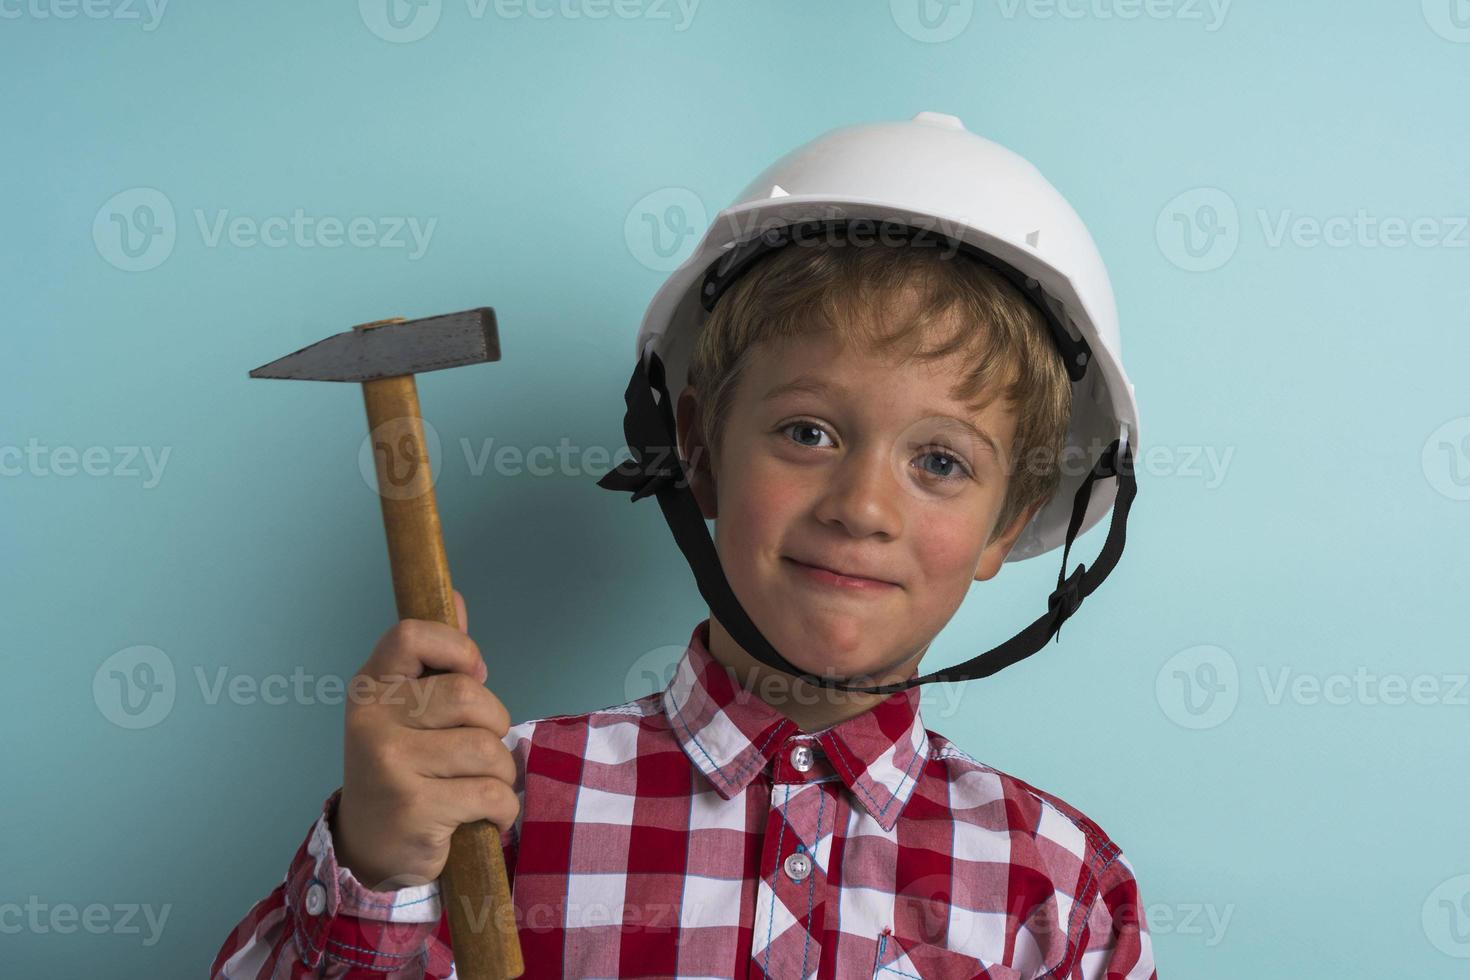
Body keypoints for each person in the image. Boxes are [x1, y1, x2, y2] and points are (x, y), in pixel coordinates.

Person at [212, 110, 1154, 979]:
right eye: (808, 433)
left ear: (1007, 521)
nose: (862, 508)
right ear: (698, 451)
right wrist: (376, 868)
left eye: (941, 462)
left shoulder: (1061, 891)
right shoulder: (489, 809)